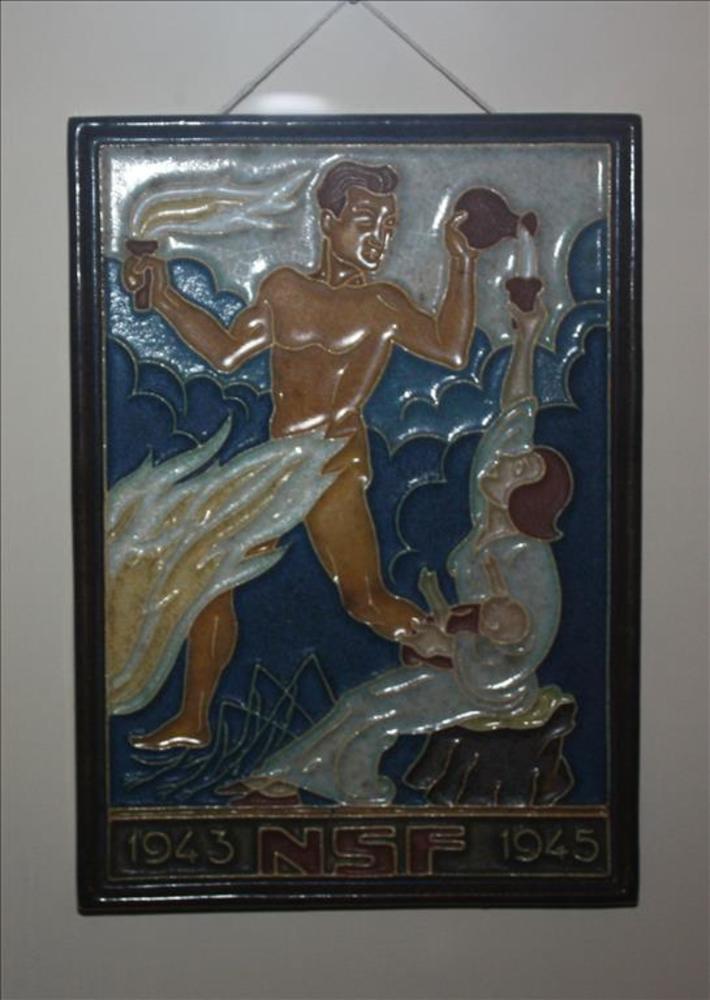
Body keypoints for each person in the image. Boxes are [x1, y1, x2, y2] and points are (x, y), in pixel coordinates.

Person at [122, 160, 482, 749]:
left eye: (388, 226)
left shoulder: (383, 303)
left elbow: (451, 349)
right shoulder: (284, 288)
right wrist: (163, 296)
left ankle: (473, 673)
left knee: (364, 599)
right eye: (365, 220)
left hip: (333, 463)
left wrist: (462, 263)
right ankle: (193, 721)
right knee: (212, 580)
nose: (379, 237)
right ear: (328, 219)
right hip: (277, 464)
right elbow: (226, 353)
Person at [239, 296, 574, 806]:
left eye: (522, 469)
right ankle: (283, 779)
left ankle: (350, 790)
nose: (508, 461)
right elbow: (515, 417)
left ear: (528, 498)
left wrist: (451, 645)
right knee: (363, 701)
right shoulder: (489, 519)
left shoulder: (523, 555)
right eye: (515, 459)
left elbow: (520, 639)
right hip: (463, 661)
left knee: (376, 708)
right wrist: (526, 337)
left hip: (494, 684)